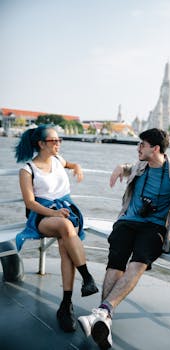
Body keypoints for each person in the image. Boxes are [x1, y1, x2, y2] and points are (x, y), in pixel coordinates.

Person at [78, 128, 170, 349]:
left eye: (142, 145)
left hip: (154, 227)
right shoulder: (140, 165)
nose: (138, 148)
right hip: (127, 222)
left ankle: (102, 314)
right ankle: (104, 316)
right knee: (116, 261)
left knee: (138, 263)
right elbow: (130, 168)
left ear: (155, 148)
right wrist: (121, 168)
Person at [15, 124, 98, 333]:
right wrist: (53, 213)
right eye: (54, 141)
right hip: (42, 214)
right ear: (41, 144)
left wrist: (76, 167)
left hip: (67, 210)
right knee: (64, 225)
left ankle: (66, 305)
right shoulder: (27, 170)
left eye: (60, 140)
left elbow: (69, 163)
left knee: (65, 246)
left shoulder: (58, 160)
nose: (59, 144)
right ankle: (87, 277)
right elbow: (30, 203)